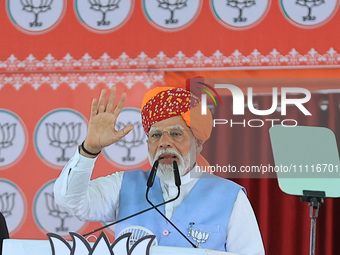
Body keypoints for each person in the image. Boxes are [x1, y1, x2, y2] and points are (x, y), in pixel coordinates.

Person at [54, 85, 265, 254]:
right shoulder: (123, 185)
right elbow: (69, 201)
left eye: (176, 134)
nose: (164, 143)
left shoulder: (230, 197)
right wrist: (89, 150)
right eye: (156, 135)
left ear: (198, 144)